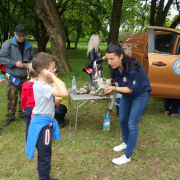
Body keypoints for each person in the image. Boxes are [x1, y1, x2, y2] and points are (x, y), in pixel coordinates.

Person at [104, 42, 152, 165]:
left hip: (140, 94)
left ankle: (127, 156)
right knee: (122, 120)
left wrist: (113, 89)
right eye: (108, 59)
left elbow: (130, 89)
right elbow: (116, 81)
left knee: (132, 123)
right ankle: (126, 142)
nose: (109, 62)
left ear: (121, 56)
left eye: (112, 59)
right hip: (127, 95)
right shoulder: (113, 66)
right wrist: (109, 85)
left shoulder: (133, 66)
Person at [26, 52, 69, 180]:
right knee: (45, 154)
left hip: (44, 122)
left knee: (44, 153)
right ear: (46, 71)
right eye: (53, 68)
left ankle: (43, 176)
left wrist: (50, 76)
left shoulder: (41, 82)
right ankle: (44, 178)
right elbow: (64, 93)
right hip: (43, 125)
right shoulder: (43, 86)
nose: (55, 70)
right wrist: (54, 77)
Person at [0, 24, 34, 126]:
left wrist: (29, 64)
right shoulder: (8, 44)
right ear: (15, 34)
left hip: (25, 76)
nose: (21, 38)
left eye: (23, 36)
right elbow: (2, 58)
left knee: (25, 96)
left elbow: (33, 58)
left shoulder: (29, 46)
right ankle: (10, 116)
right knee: (12, 96)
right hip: (12, 76)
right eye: (19, 36)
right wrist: (15, 64)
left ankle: (22, 113)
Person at [87, 34, 105, 104]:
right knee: (94, 84)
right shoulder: (92, 50)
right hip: (93, 70)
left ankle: (102, 95)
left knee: (100, 82)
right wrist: (102, 59)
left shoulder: (97, 48)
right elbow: (92, 61)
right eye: (98, 39)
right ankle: (91, 99)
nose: (100, 40)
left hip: (98, 69)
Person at [21, 63, 38, 140]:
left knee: (28, 124)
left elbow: (23, 98)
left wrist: (23, 107)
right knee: (39, 123)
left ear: (28, 72)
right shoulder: (41, 84)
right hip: (39, 108)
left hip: (28, 108)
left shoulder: (25, 84)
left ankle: (28, 139)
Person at [116, 45, 132, 115]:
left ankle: (119, 110)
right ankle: (120, 109)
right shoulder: (127, 65)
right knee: (121, 95)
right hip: (123, 85)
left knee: (120, 95)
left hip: (121, 85)